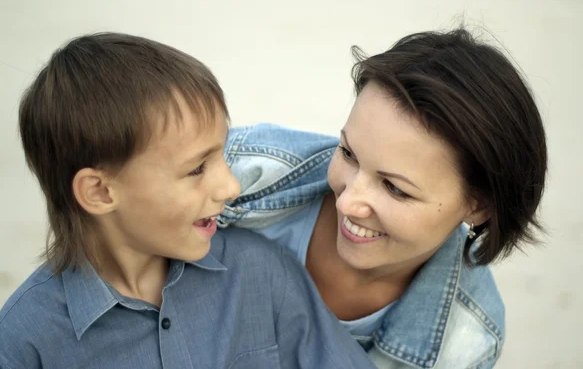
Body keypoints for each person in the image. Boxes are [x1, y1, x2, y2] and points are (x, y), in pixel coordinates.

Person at [0, 33, 376, 369]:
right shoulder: (24, 341)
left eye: (222, 156)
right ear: (100, 192)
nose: (229, 187)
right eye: (197, 169)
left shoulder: (259, 270)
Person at [219, 28, 547, 368]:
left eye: (395, 188)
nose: (347, 203)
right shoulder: (238, 169)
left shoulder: (467, 340)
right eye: (348, 153)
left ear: (478, 205)